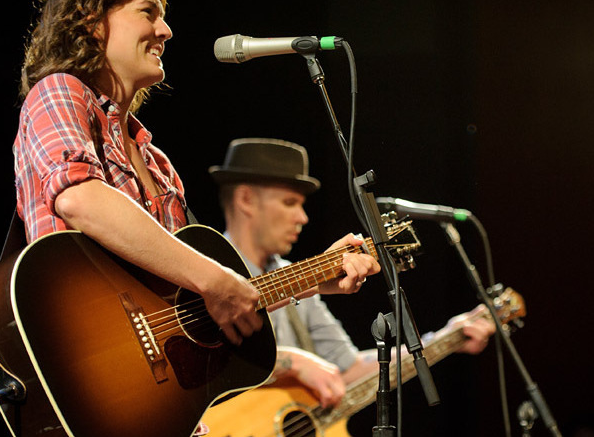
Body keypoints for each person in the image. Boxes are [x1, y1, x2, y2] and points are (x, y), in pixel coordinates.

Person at [13, 0, 380, 348]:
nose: (166, 30)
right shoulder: (59, 91)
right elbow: (80, 199)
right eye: (148, 12)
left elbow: (190, 304)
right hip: (83, 351)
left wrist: (311, 279)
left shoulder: (157, 163)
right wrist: (212, 278)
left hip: (154, 388)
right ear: (91, 21)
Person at [209, 137, 495, 410]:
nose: (303, 217)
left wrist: (445, 339)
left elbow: (348, 370)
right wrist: (290, 362)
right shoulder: (202, 274)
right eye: (289, 203)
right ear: (245, 199)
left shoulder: (293, 276)